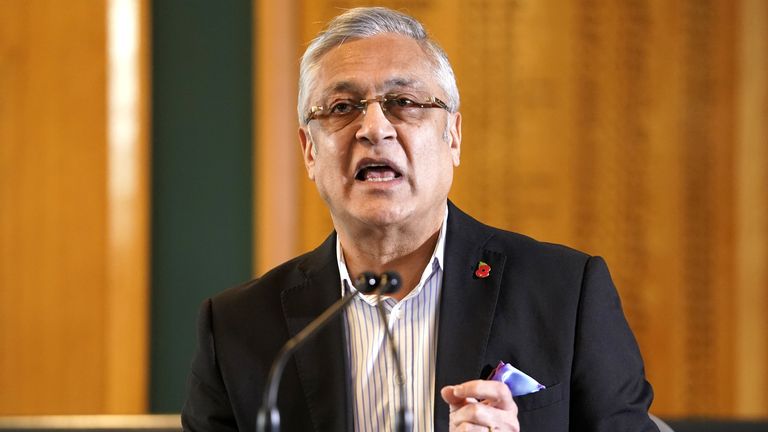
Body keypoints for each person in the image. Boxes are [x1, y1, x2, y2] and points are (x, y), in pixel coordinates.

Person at [182, 7, 658, 432]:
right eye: (343, 108)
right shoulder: (237, 329)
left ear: (453, 136)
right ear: (309, 151)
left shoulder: (566, 294)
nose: (373, 128)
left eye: (404, 102)